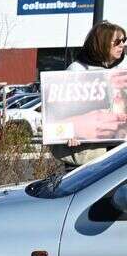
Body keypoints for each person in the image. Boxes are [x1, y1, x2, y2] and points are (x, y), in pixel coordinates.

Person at [49, 21, 127, 168]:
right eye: (117, 41)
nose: (122, 45)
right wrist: (69, 132)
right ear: (102, 43)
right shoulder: (77, 70)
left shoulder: (123, 69)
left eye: (124, 40)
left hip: (120, 149)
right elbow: (60, 111)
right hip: (90, 154)